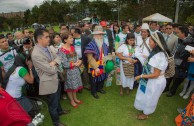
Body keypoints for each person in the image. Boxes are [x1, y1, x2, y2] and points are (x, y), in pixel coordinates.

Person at [32, 28, 69, 126]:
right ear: (39, 39)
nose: (49, 38)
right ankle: (56, 122)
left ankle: (60, 111)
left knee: (57, 98)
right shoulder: (36, 54)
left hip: (55, 78)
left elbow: (58, 57)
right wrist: (54, 63)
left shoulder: (47, 47)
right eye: (47, 37)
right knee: (52, 104)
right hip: (48, 82)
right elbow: (50, 70)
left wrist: (53, 62)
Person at [134, 32, 169, 120]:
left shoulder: (159, 56)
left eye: (150, 41)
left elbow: (156, 74)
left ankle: (146, 114)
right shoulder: (156, 52)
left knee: (150, 98)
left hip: (155, 81)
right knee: (145, 95)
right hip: (151, 80)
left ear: (156, 43)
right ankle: (143, 109)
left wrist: (141, 76)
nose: (149, 43)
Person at [58, 32, 83, 108]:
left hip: (75, 70)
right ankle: (72, 100)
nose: (72, 39)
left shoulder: (72, 47)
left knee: (74, 85)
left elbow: (76, 57)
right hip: (68, 71)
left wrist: (79, 61)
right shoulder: (61, 50)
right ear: (65, 40)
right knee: (70, 86)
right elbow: (64, 63)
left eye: (72, 37)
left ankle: (75, 98)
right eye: (70, 38)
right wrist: (74, 64)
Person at [167, 26, 193, 97]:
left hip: (181, 66)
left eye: (178, 32)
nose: (177, 34)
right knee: (171, 76)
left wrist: (175, 63)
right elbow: (177, 52)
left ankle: (172, 92)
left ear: (183, 33)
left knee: (177, 79)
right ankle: (167, 88)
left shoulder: (189, 43)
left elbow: (184, 57)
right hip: (176, 62)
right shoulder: (180, 40)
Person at [84, 25, 109, 99]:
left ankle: (100, 89)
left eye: (102, 34)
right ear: (94, 35)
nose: (101, 36)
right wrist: (96, 67)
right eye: (99, 34)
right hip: (93, 66)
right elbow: (90, 58)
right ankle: (94, 92)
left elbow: (106, 54)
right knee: (94, 79)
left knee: (102, 77)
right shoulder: (90, 45)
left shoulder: (104, 44)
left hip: (102, 64)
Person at [163, 23, 178, 93]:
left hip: (169, 58)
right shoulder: (163, 35)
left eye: (170, 28)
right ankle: (162, 85)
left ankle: (166, 87)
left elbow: (175, 50)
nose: (168, 30)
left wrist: (170, 58)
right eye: (167, 28)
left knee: (168, 73)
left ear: (172, 29)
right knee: (162, 71)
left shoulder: (176, 38)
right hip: (162, 57)